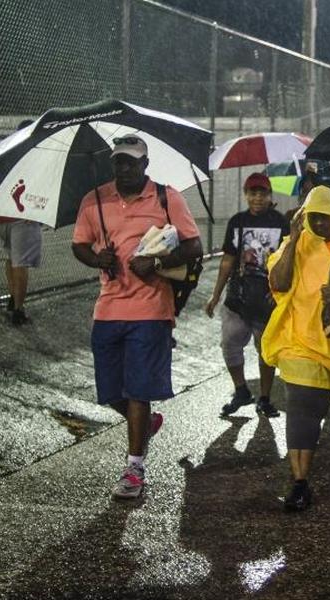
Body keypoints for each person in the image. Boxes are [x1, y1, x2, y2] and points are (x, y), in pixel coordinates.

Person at [71, 135, 203, 499]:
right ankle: (146, 424)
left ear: (145, 164)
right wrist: (97, 259)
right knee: (110, 391)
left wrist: (156, 262)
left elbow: (194, 245)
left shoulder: (166, 197)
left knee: (138, 390)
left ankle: (134, 469)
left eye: (131, 162)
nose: (125, 168)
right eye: (119, 162)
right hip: (109, 308)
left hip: (152, 309)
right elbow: (79, 244)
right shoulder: (94, 200)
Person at [262, 186, 330, 511]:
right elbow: (279, 283)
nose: (320, 223)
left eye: (326, 217)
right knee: (302, 413)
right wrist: (294, 239)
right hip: (302, 344)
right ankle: (300, 483)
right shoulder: (294, 244)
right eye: (314, 217)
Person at [204, 172, 288, 418]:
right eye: (253, 193)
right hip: (238, 297)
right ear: (246, 195)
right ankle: (241, 390)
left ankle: (265, 398)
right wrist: (215, 295)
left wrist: (282, 294)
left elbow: (288, 260)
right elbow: (227, 260)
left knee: (265, 350)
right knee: (230, 343)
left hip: (268, 298)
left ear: (269, 195)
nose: (257, 198)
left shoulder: (280, 223)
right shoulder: (237, 222)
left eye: (262, 193)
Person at [0, 119, 45, 326]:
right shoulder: (36, 157)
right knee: (20, 263)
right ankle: (19, 310)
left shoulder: (5, 154)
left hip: (1, 218)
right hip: (23, 218)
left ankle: (13, 298)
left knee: (11, 259)